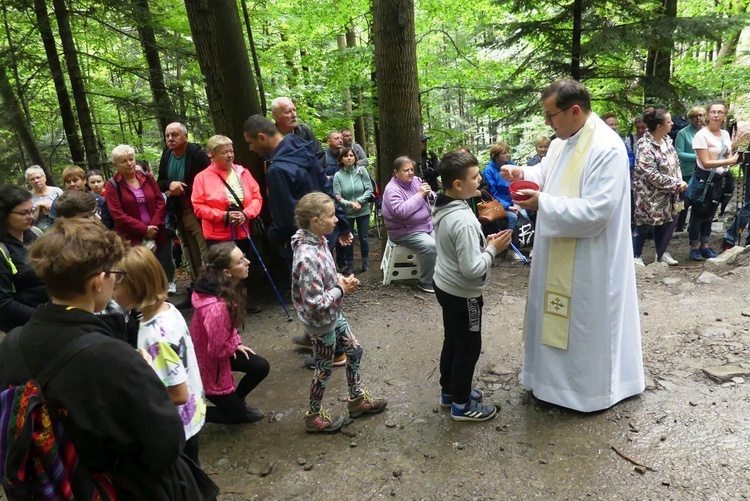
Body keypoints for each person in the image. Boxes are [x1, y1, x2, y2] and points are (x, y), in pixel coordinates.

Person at [0, 218, 216, 499]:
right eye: (115, 273)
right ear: (98, 281)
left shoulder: (12, 344)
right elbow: (166, 444)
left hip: (55, 485)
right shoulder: (115, 358)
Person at [500, 79, 644, 412]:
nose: (548, 123)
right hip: (557, 252)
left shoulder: (606, 148)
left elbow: (599, 211)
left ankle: (588, 393)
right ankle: (549, 385)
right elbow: (548, 171)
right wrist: (522, 172)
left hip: (591, 258)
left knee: (583, 324)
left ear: (574, 110)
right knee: (552, 316)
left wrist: (543, 204)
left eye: (552, 116)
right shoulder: (562, 141)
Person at [244, 114, 351, 367]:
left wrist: (276, 239)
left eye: (250, 143)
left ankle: (332, 352)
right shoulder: (304, 149)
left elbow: (284, 216)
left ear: (262, 137)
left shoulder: (278, 169)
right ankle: (315, 337)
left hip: (303, 240)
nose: (250, 148)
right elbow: (326, 190)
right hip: (325, 233)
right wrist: (341, 222)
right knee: (324, 284)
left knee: (314, 294)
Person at [292, 192, 387, 432]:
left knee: (354, 350)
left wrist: (340, 281)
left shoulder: (319, 240)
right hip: (320, 321)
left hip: (333, 313)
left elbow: (325, 280)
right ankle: (313, 417)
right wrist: (340, 289)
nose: (337, 220)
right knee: (323, 369)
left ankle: (356, 400)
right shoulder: (306, 256)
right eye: (331, 215)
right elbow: (313, 302)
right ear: (315, 221)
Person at [432, 150, 513, 422]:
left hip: (445, 284)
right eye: (475, 177)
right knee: (468, 346)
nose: (479, 180)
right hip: (463, 294)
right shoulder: (463, 220)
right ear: (458, 184)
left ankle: (450, 391)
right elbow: (472, 269)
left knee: (453, 340)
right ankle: (462, 405)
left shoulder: (443, 204)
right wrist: (492, 249)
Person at [113, 246, 206, 465]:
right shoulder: (168, 309)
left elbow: (178, 394)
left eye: (116, 286)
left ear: (135, 288)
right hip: (192, 412)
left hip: (180, 425)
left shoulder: (156, 335)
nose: (111, 291)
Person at [190, 242, 270, 424]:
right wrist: (233, 345)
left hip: (218, 354)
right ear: (226, 272)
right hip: (209, 366)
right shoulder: (217, 307)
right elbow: (216, 352)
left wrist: (237, 343)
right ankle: (189, 414)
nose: (248, 262)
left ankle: (236, 402)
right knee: (238, 417)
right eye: (240, 261)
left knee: (260, 366)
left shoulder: (223, 288)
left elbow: (229, 330)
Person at [191, 134, 263, 314]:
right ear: (212, 155)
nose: (230, 155)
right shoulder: (202, 178)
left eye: (231, 151)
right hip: (217, 234)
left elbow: (256, 197)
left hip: (242, 229)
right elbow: (198, 207)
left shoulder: (243, 173)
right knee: (222, 271)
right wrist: (223, 216)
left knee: (244, 265)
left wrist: (246, 214)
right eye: (224, 152)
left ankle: (244, 301)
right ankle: (225, 304)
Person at [105, 144, 175, 295]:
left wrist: (154, 227)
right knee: (139, 272)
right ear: (116, 165)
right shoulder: (112, 185)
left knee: (160, 267)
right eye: (124, 161)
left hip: (157, 232)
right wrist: (144, 230)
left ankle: (162, 301)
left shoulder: (147, 178)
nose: (129, 163)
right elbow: (118, 214)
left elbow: (160, 201)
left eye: (131, 159)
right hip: (131, 237)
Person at [632, 108, 687, 266]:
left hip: (669, 192)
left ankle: (661, 252)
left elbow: (675, 163)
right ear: (659, 126)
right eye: (669, 121)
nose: (672, 123)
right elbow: (651, 174)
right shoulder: (645, 146)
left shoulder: (667, 140)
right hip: (648, 194)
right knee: (645, 223)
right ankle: (636, 256)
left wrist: (679, 180)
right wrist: (675, 183)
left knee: (665, 222)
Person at [157, 122, 211, 284]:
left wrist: (181, 189)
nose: (170, 139)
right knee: (190, 254)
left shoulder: (196, 154)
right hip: (179, 213)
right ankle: (196, 290)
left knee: (206, 252)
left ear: (185, 136)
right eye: (167, 136)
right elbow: (160, 182)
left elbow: (207, 182)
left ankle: (217, 291)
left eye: (175, 135)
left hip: (197, 212)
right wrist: (170, 184)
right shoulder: (167, 155)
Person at [687, 101, 738, 260]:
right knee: (698, 213)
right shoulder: (701, 135)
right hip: (704, 179)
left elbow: (726, 154)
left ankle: (705, 245)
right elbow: (706, 162)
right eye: (713, 112)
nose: (716, 115)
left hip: (719, 180)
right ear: (708, 114)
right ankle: (694, 246)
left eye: (720, 112)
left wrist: (730, 159)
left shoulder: (725, 134)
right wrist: (729, 162)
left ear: (725, 115)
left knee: (710, 213)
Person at [381, 156, 437, 293]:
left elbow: (432, 198)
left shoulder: (416, 181)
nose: (410, 173)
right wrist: (419, 195)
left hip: (426, 226)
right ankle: (426, 282)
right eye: (406, 170)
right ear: (396, 172)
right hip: (405, 232)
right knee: (431, 246)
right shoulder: (392, 190)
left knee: (444, 241)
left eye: (412, 169)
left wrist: (429, 195)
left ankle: (440, 277)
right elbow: (401, 211)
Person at [0, 184, 47, 333]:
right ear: (5, 214)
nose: (31, 217)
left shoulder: (35, 233)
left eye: (32, 211)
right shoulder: (3, 250)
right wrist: (44, 317)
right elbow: (4, 303)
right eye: (23, 213)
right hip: (23, 327)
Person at [333, 147, 373, 273]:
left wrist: (359, 201)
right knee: (348, 237)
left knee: (364, 237)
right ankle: (350, 263)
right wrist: (350, 204)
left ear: (355, 157)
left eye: (351, 155)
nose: (349, 158)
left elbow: (369, 189)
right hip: (347, 212)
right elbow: (337, 196)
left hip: (363, 210)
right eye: (346, 156)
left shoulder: (362, 171)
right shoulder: (338, 176)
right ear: (341, 160)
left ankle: (365, 261)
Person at [674, 106, 706, 231]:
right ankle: (679, 225)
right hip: (687, 172)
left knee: (700, 201)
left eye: (700, 115)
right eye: (694, 116)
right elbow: (680, 153)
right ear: (690, 118)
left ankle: (694, 226)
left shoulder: (707, 132)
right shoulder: (683, 133)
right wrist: (700, 157)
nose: (698, 118)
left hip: (703, 172)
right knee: (685, 201)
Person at [271, 96, 326, 165]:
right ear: (276, 117)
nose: (294, 115)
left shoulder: (304, 131)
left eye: (294, 110)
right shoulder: (270, 137)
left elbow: (319, 155)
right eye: (288, 112)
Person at [482, 142, 521, 230]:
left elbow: (518, 185)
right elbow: (492, 193)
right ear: (496, 156)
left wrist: (518, 202)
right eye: (504, 153)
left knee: (527, 214)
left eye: (507, 152)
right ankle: (506, 240)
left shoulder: (512, 165)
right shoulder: (489, 171)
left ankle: (522, 240)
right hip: (500, 204)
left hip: (514, 201)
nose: (507, 155)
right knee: (513, 217)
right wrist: (508, 206)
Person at [25, 165, 62, 232]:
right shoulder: (27, 197)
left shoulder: (57, 191)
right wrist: (38, 208)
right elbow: (29, 220)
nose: (36, 181)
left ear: (44, 177)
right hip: (38, 232)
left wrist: (52, 212)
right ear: (29, 182)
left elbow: (67, 211)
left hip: (59, 229)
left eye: (38, 177)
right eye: (32, 179)